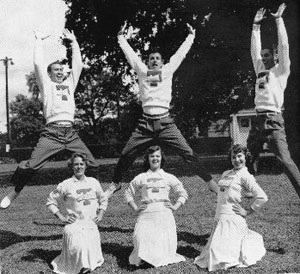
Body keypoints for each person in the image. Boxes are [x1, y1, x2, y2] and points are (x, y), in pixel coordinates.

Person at [106, 22, 217, 197]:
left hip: (166, 123)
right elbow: (132, 56)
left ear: (162, 62)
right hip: (145, 124)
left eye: (158, 58)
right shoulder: (142, 71)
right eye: (151, 58)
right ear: (148, 62)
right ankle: (115, 183)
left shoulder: (167, 71)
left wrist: (191, 36)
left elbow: (180, 55)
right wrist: (121, 38)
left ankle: (210, 182)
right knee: (127, 153)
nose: (155, 60)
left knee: (187, 152)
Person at [0, 29, 98, 209]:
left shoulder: (70, 84)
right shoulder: (47, 85)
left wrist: (74, 42)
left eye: (61, 69)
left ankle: (84, 194)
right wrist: (38, 42)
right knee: (30, 166)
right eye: (56, 70)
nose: (60, 72)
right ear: (50, 74)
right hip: (52, 133)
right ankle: (15, 191)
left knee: (92, 163)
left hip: (71, 133)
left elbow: (77, 64)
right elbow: (38, 64)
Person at [247, 3, 300, 199]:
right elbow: (254, 50)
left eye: (267, 55)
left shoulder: (281, 70)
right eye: (262, 56)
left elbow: (284, 45)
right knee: (246, 158)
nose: (263, 58)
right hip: (257, 121)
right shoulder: (259, 68)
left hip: (274, 121)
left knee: (286, 161)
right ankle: (247, 192)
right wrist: (255, 27)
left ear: (275, 56)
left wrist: (279, 20)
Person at [194, 144, 268, 271]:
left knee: (218, 256)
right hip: (220, 218)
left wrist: (247, 211)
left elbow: (262, 197)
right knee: (212, 253)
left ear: (246, 157)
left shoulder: (245, 175)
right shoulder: (226, 173)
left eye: (240, 156)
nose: (236, 160)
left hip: (232, 220)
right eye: (233, 157)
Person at [124, 145, 188, 267]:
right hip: (146, 214)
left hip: (164, 215)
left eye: (157, 156)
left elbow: (183, 193)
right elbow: (128, 193)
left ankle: (156, 255)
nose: (155, 159)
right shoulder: (141, 177)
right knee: (140, 238)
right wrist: (136, 208)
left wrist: (175, 206)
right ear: (147, 159)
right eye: (152, 156)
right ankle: (146, 256)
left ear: (161, 158)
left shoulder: (168, 177)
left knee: (161, 247)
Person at [46, 152, 107, 274]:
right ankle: (83, 268)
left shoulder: (93, 182)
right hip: (74, 225)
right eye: (76, 165)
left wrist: (100, 214)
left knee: (87, 250)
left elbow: (103, 199)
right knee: (79, 248)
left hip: (90, 225)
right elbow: (50, 201)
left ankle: (84, 265)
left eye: (81, 164)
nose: (79, 167)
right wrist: (62, 217)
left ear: (85, 165)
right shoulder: (66, 184)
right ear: (72, 167)